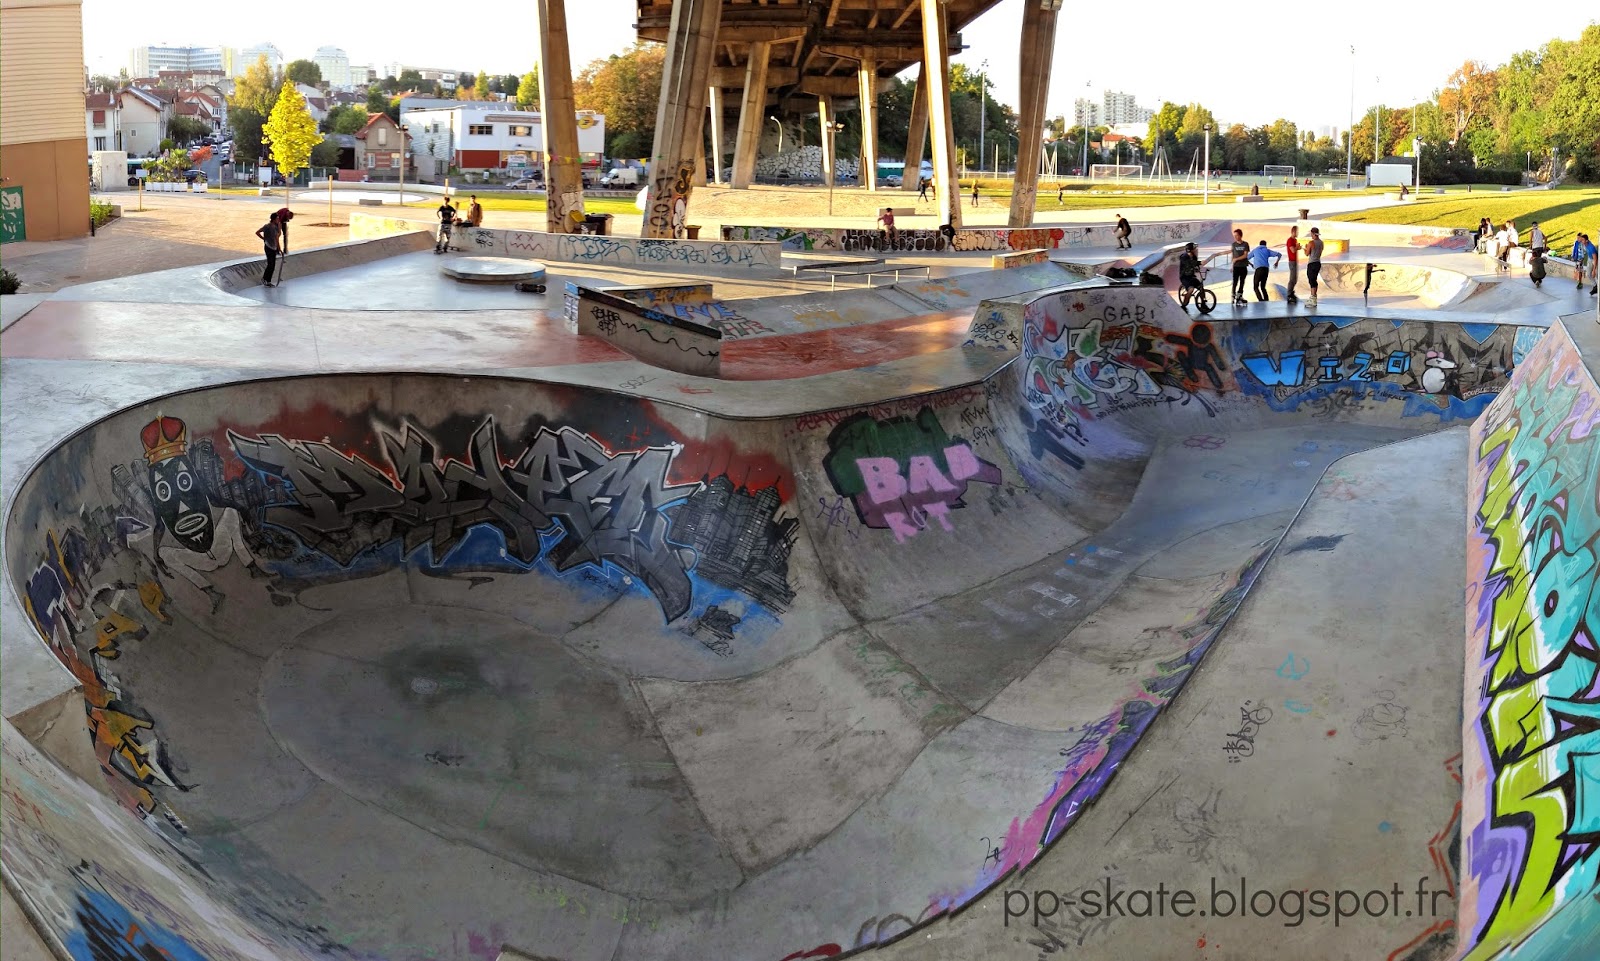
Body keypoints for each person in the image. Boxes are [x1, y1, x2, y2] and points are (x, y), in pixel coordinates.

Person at [255, 212, 282, 287]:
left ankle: (267, 280)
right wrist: (279, 249)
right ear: (274, 219)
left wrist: (264, 239)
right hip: (271, 247)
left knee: (271, 264)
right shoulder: (273, 227)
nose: (278, 220)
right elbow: (277, 238)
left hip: (268, 246)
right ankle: (265, 279)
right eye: (277, 218)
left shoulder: (266, 226)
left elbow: (257, 232)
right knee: (271, 265)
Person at [1177, 242, 1205, 310]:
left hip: (1191, 277)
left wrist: (1197, 268)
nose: (1196, 249)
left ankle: (1203, 304)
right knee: (1191, 289)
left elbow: (1194, 265)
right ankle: (1184, 305)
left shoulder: (1194, 257)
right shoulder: (1184, 257)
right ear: (1191, 250)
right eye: (1194, 248)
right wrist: (1199, 263)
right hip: (1184, 277)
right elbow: (1189, 263)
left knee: (1201, 288)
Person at [1228, 229, 1251, 305]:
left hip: (1243, 266)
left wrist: (1236, 259)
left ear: (1240, 235)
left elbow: (1245, 255)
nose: (1235, 237)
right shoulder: (1233, 244)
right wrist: (1232, 265)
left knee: (1242, 282)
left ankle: (1239, 296)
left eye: (1237, 235)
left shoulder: (1245, 244)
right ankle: (1233, 295)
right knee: (1235, 282)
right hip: (1236, 267)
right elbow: (1233, 255)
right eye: (1234, 236)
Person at [1304, 227, 1325, 306]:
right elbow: (1318, 251)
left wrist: (1305, 248)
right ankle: (1314, 297)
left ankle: (1313, 298)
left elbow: (1307, 253)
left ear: (1312, 234)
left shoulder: (1311, 243)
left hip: (1312, 263)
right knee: (1314, 280)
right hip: (1318, 263)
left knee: (1311, 280)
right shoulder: (1321, 242)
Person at [1283, 225, 1302, 303]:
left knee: (1295, 279)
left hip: (1295, 261)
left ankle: (1291, 292)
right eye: (1296, 232)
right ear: (1293, 232)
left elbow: (1295, 249)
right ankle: (1289, 294)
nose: (1297, 233)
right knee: (1292, 279)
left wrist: (1298, 247)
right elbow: (1293, 250)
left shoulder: (1295, 240)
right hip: (1292, 261)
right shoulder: (1290, 240)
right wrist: (1297, 247)